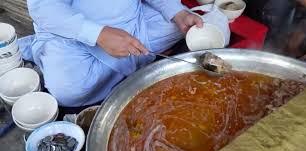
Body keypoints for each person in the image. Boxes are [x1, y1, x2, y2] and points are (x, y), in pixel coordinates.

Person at [20, 0, 207, 107]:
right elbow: (44, 7)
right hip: (73, 34)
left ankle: (125, 60)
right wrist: (98, 34)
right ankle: (38, 46)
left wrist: (176, 13)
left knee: (197, 25)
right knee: (68, 91)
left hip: (134, 21)